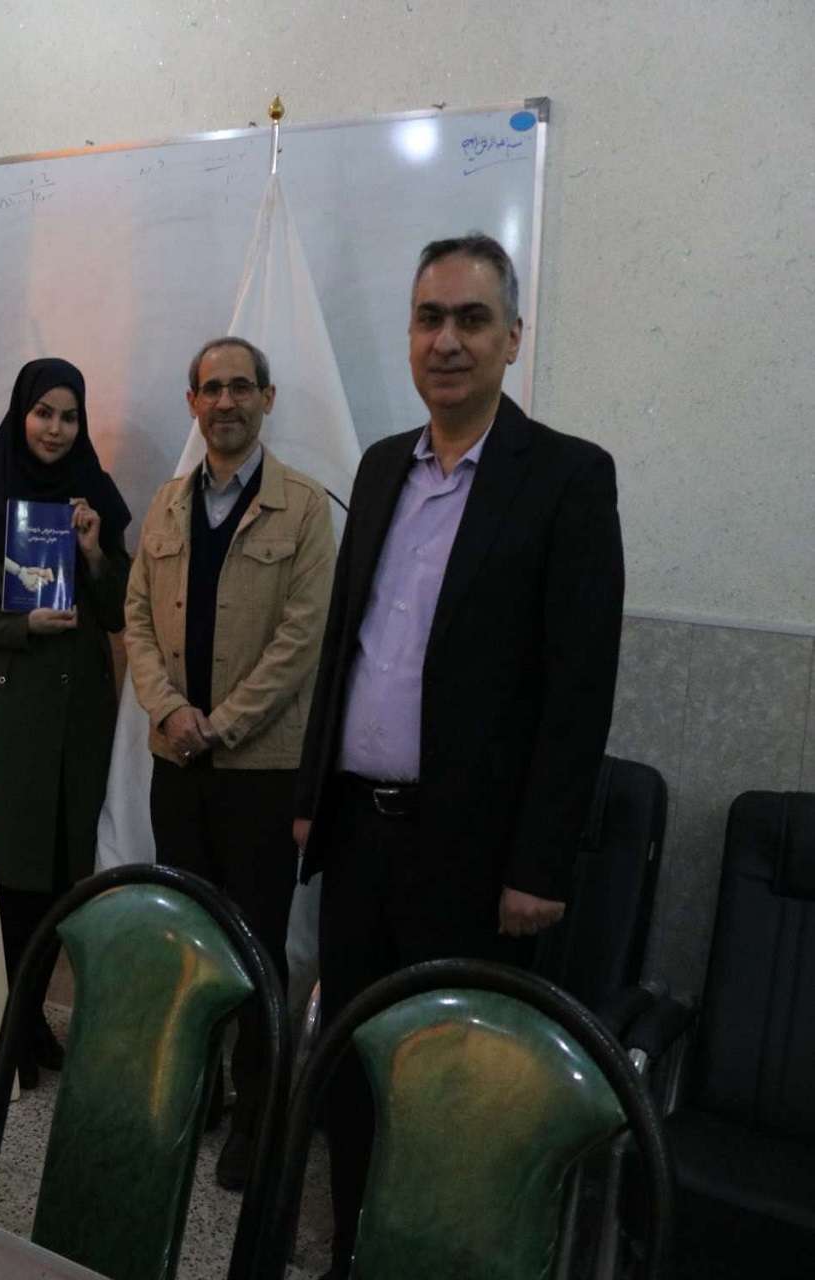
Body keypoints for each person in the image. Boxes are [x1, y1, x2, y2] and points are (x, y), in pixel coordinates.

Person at [292, 234, 625, 1277]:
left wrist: (541, 863)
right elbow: (348, 640)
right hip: (356, 834)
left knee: (453, 1082)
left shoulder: (566, 477)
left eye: (471, 319)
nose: (447, 340)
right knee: (351, 1066)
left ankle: (437, 1258)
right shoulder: (383, 462)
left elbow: (579, 689)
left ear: (512, 338)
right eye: (429, 318)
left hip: (473, 857)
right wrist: (311, 795)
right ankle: (354, 1246)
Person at [122, 335, 336, 1190]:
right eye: (210, 389)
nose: (226, 402)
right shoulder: (167, 505)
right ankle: (191, 1095)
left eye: (241, 387)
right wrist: (170, 712)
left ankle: (256, 1114)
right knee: (189, 942)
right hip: (177, 765)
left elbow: (302, 640)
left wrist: (222, 724)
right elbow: (136, 621)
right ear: (191, 403)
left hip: (257, 772)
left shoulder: (306, 508)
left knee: (254, 953)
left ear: (267, 398)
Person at [0, 357, 132, 1090]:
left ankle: (29, 1016)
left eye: (68, 415)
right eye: (43, 412)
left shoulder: (98, 502)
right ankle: (14, 1021)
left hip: (82, 708)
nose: (55, 428)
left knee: (64, 873)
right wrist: (22, 622)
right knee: (16, 870)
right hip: (11, 705)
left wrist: (90, 552)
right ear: (21, 414)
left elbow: (118, 614)